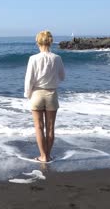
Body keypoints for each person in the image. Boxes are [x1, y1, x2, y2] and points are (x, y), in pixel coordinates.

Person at [24, 30, 65, 163]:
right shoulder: (57, 58)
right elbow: (62, 77)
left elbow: (29, 79)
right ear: (51, 42)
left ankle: (43, 156)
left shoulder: (33, 58)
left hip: (36, 94)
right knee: (51, 127)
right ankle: (48, 155)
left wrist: (27, 94)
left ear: (38, 42)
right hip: (51, 94)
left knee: (39, 127)